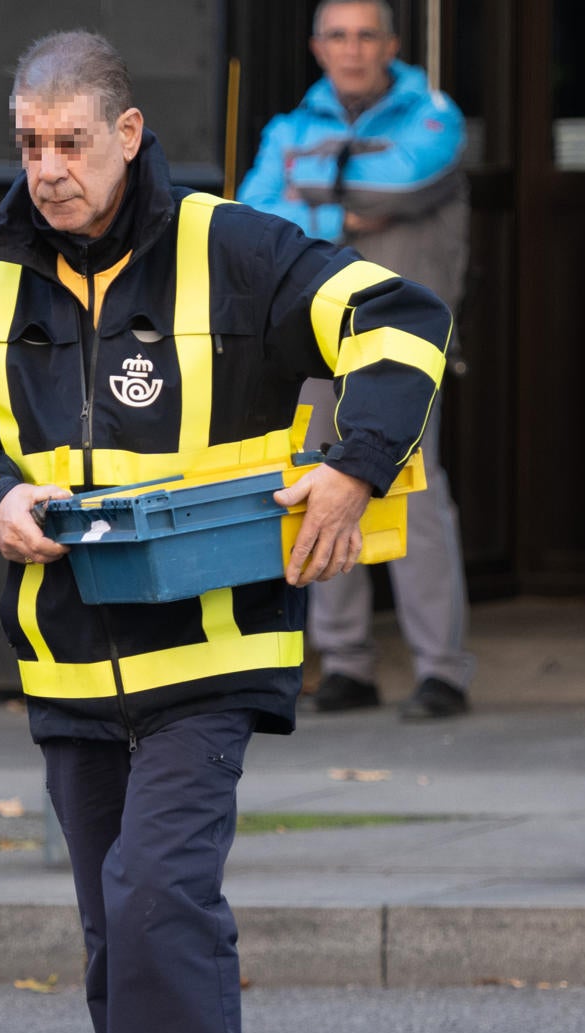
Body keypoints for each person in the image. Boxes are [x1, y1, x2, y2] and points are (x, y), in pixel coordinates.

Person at [0, 30, 450, 1033]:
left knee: (158, 901)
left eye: (72, 144)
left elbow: (403, 324)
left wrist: (351, 464)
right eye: (30, 145)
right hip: (66, 667)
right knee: (122, 936)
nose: (48, 171)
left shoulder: (235, 247)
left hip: (212, 655)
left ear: (129, 133)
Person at [235, 0, 476, 720]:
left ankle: (442, 671)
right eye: (338, 36)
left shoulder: (433, 115)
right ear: (317, 47)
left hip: (402, 347)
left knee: (418, 498)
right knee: (319, 488)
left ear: (393, 45)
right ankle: (345, 663)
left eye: (367, 34)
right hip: (311, 338)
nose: (353, 49)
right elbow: (251, 221)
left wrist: (308, 194)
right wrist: (345, 215)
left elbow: (400, 186)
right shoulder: (290, 125)